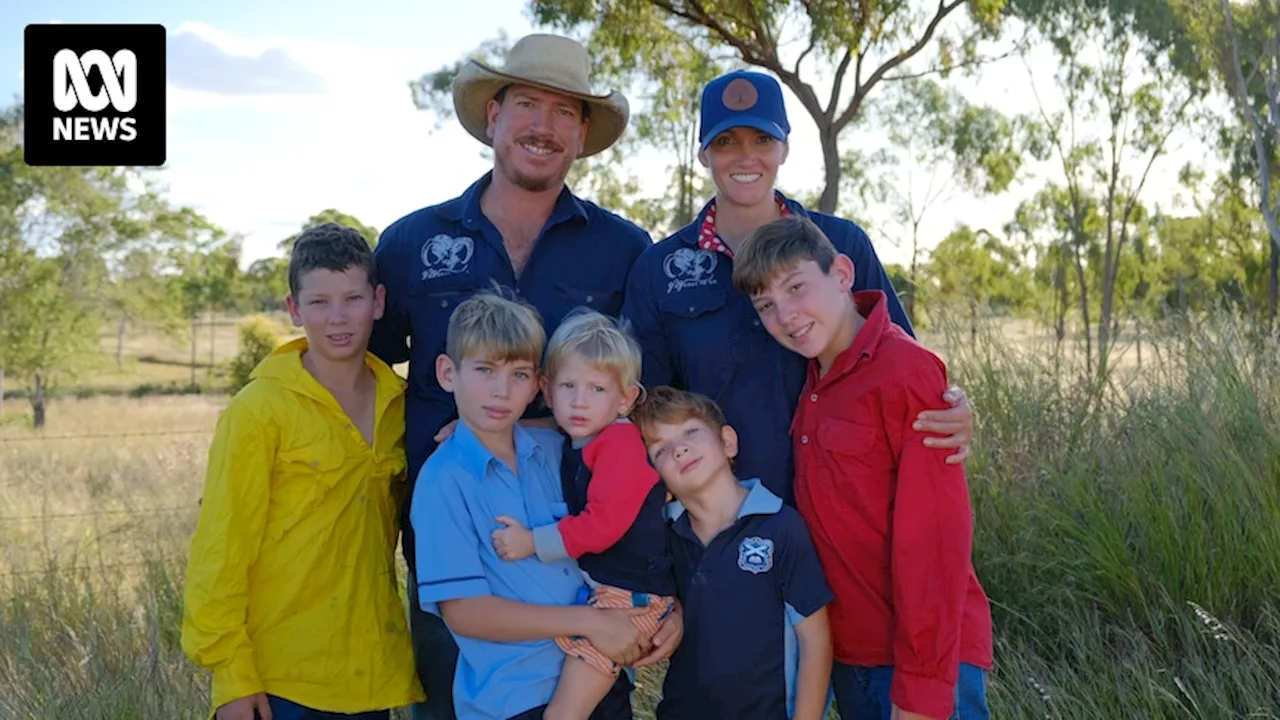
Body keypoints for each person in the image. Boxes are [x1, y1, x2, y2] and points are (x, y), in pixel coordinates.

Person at [368, 34, 658, 719]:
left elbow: (642, 391)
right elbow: (366, 369)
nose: (543, 126)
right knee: (452, 702)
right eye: (527, 103)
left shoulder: (624, 250)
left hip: (583, 539)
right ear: (492, 114)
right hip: (457, 535)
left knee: (589, 701)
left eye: (565, 112)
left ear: (583, 134)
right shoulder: (414, 243)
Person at [621, 69, 974, 503]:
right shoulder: (661, 270)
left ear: (785, 147)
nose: (745, 157)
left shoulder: (841, 244)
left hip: (849, 506)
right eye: (726, 142)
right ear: (703, 154)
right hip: (722, 520)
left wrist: (950, 404)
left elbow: (897, 361)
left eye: (762, 140)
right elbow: (647, 409)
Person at [733, 215, 993, 720]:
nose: (786, 315)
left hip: (917, 661)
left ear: (844, 273)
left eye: (797, 287)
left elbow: (936, 544)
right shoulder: (814, 375)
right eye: (766, 305)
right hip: (854, 651)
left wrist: (920, 691)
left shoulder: (904, 372)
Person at [182, 224, 423, 720]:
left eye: (352, 298)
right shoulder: (259, 409)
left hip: (370, 672)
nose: (337, 318)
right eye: (319, 302)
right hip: (281, 680)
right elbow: (221, 547)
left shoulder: (402, 407)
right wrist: (231, 677)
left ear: (378, 302)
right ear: (294, 309)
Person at [410, 292, 674, 720]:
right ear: (447, 373)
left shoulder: (558, 450)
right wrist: (587, 622)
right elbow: (465, 613)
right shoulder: (444, 480)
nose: (501, 390)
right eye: (484, 370)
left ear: (537, 385)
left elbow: (627, 529)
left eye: (518, 374)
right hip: (515, 694)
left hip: (599, 673)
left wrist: (667, 610)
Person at [489, 309, 676, 720]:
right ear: (547, 389)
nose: (579, 401)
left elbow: (603, 525)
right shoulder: (585, 437)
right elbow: (550, 427)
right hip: (609, 592)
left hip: (629, 600)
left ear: (626, 399)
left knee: (564, 714)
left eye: (596, 389)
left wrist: (531, 541)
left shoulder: (619, 445)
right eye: (568, 386)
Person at [630, 386, 834, 720]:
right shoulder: (662, 538)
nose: (679, 449)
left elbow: (815, 640)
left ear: (727, 441)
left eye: (690, 431)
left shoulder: (780, 527)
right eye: (660, 450)